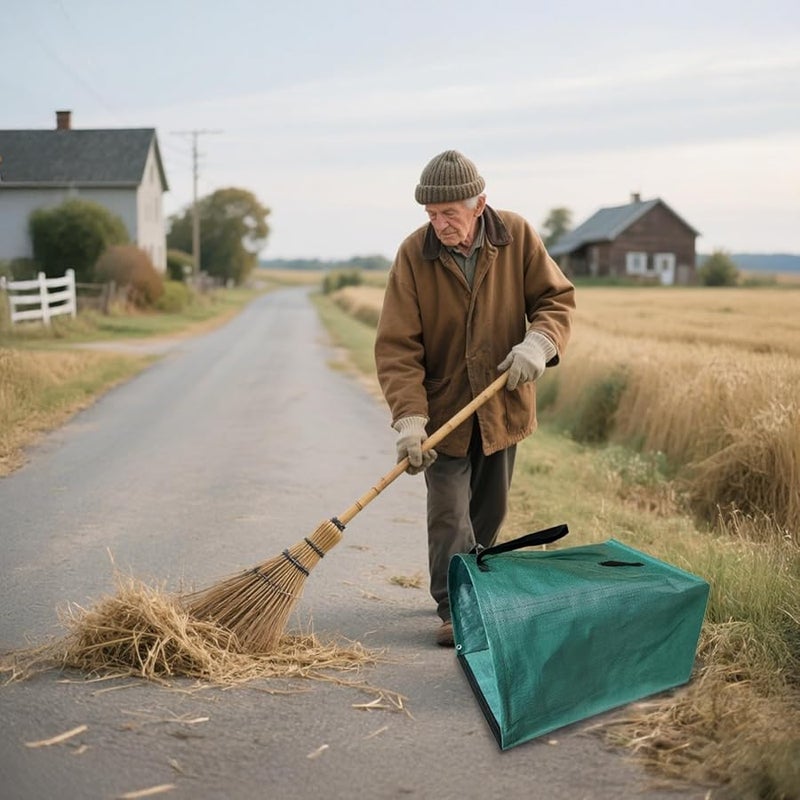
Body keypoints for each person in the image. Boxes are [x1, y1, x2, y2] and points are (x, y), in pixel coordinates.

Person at [374, 150, 575, 647]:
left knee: (489, 512)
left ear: (479, 204)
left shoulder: (517, 236)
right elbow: (398, 346)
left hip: (502, 406)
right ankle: (454, 608)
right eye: (431, 215)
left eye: (450, 214)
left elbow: (556, 300)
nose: (440, 224)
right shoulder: (413, 256)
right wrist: (410, 421)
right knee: (448, 512)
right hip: (442, 414)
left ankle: (477, 590)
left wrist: (540, 343)